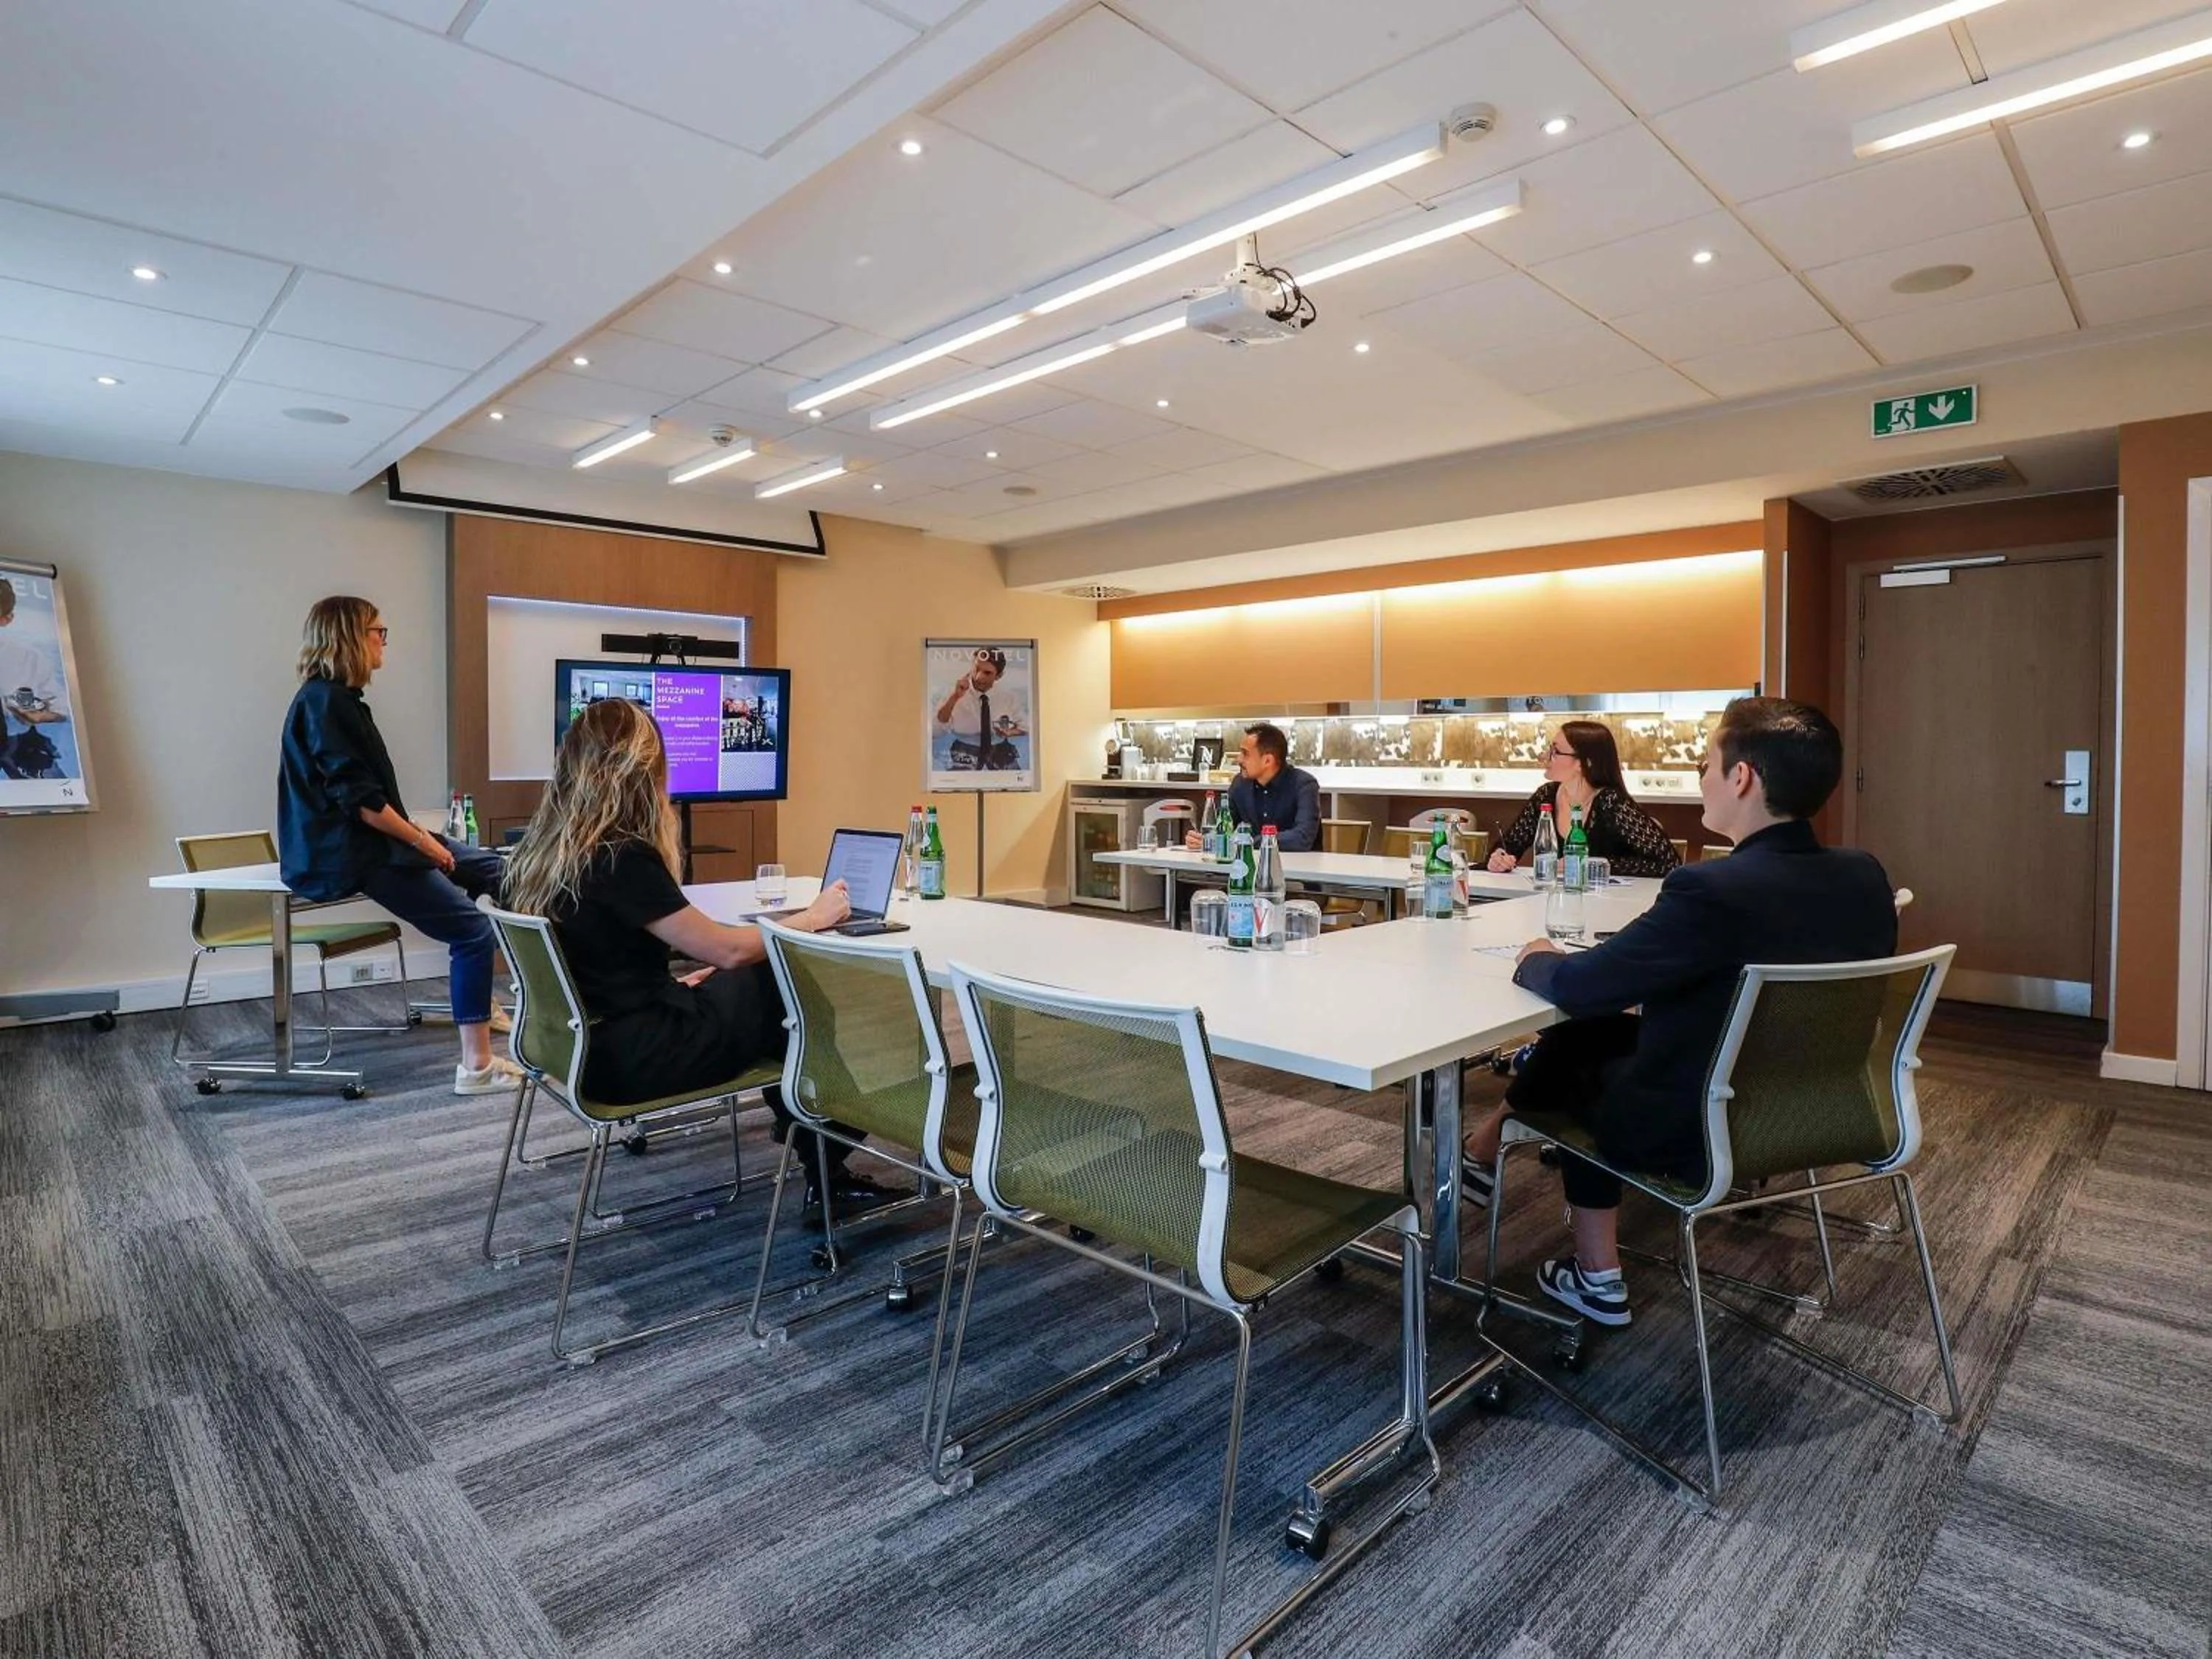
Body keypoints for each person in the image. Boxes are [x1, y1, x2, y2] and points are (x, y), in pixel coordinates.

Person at [1461, 698, 1896, 1327]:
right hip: (1820, 1105)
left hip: (1699, 1123)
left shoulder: (1710, 889)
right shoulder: (1864, 874)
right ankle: (1486, 1147)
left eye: (1705, 763)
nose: (1702, 777)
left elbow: (1584, 987)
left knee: (1582, 1047)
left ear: (1741, 777)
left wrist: (1537, 958)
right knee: (1596, 1035)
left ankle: (1596, 1278)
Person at [501, 698, 896, 1212]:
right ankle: (824, 1142)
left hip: (586, 1048)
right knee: (780, 978)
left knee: (757, 983)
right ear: (643, 771)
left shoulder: (541, 852)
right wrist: (812, 918)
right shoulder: (620, 856)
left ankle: (811, 1133)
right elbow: (728, 950)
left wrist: (667, 987)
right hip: (636, 1057)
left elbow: (600, 961)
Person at [278, 597, 512, 1095]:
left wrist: (425, 840)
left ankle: (515, 1002)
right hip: (358, 853)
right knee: (472, 933)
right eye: (378, 631)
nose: (385, 640)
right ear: (349, 637)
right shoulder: (325, 702)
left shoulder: (338, 699)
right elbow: (362, 804)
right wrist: (425, 844)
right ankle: (478, 1068)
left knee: (500, 873)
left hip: (376, 841)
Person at [1487, 719, 1679, 879]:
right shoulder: (1546, 796)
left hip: (1611, 904)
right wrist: (1499, 858)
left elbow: (1669, 864)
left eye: (1555, 752)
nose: (1544, 756)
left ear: (1584, 763)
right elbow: (1508, 846)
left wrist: (1591, 865)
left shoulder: (1611, 802)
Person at [1183, 723, 1320, 852]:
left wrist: (1249, 842)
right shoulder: (1240, 784)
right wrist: (1203, 839)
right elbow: (1222, 828)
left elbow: (1302, 838)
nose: (1239, 760)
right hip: (1249, 867)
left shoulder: (1304, 785)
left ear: (1268, 760)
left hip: (1298, 870)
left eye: (1245, 754)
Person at [0, 577, 72, 779]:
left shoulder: (29, 658)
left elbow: (62, 707)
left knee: (59, 792)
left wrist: (42, 716)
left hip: (19, 743)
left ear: (6, 619)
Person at [933, 648, 1021, 771]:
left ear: (999, 676)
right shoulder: (952, 693)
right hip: (965, 749)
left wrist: (1010, 732)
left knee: (1017, 781)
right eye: (976, 669)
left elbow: (1026, 727)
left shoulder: (1008, 697)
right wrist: (955, 697)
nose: (979, 677)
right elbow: (935, 731)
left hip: (1000, 749)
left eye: (987, 673)